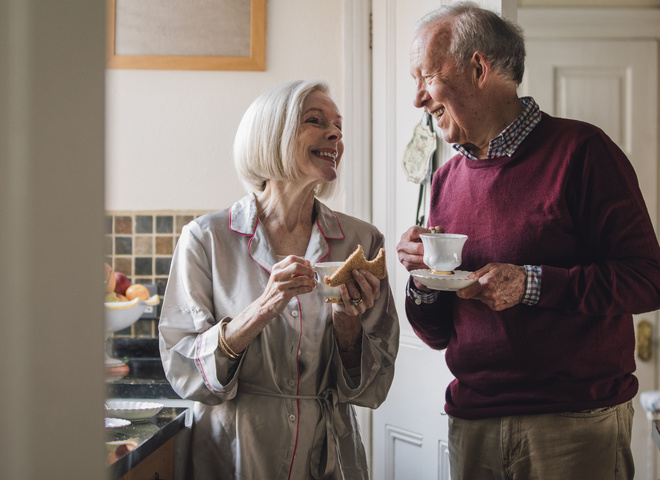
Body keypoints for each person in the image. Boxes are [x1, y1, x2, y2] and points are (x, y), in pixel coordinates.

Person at [396, 2, 660, 479]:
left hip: (575, 423)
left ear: (478, 68)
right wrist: (422, 280)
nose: (418, 99)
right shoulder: (445, 180)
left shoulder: (583, 152)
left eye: (427, 76)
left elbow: (647, 279)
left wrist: (531, 284)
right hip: (473, 422)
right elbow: (436, 335)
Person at [159, 79, 399, 480]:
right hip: (234, 451)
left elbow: (373, 384)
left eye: (338, 126)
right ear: (273, 135)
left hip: (327, 454)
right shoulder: (206, 238)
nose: (336, 134)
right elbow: (183, 367)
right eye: (315, 120)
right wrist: (265, 305)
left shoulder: (363, 241)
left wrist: (348, 323)